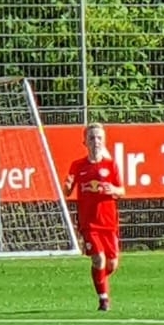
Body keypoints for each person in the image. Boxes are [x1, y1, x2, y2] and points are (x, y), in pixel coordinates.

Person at [64, 123, 124, 311]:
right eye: (91, 138)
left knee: (112, 264)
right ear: (85, 142)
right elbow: (67, 191)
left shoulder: (111, 165)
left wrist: (113, 189)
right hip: (89, 223)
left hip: (109, 222)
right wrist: (67, 186)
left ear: (104, 141)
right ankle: (103, 299)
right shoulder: (77, 165)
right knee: (98, 259)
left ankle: (99, 280)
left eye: (99, 138)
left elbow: (122, 190)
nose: (96, 141)